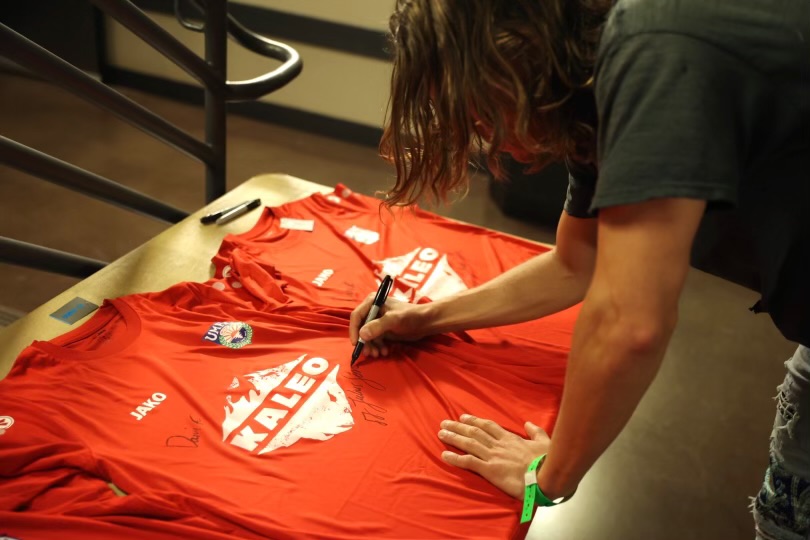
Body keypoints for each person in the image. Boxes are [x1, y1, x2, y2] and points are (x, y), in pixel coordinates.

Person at [348, 0, 810, 537]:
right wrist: (425, 318)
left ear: (511, 52)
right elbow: (576, 263)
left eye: (479, 112)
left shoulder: (652, 48)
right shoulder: (588, 99)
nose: (488, 139)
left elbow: (628, 324)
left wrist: (547, 477)